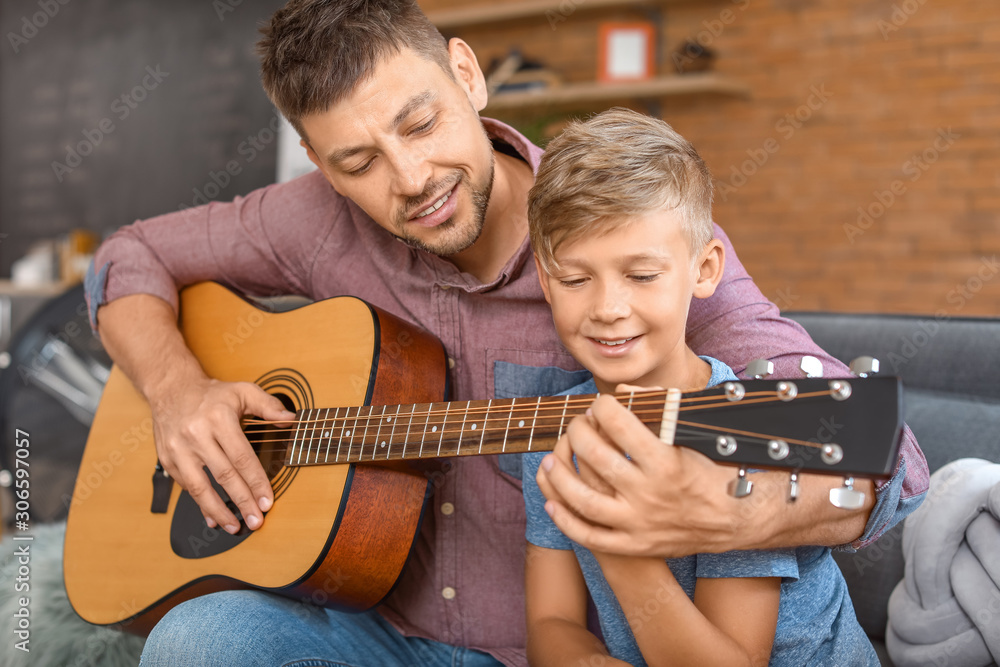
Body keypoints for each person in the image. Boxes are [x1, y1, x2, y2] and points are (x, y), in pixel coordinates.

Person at [83, 1, 926, 665]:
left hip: (554, 644)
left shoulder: (619, 247)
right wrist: (176, 390)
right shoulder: (306, 221)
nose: (411, 179)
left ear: (467, 74)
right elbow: (126, 257)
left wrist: (726, 518)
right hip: (375, 627)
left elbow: (885, 461)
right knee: (196, 641)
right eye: (358, 162)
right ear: (314, 159)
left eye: (418, 124)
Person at [517, 108, 878, 666]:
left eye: (641, 275)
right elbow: (550, 623)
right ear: (545, 279)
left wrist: (616, 539)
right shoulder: (553, 430)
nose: (609, 309)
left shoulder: (747, 430)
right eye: (574, 279)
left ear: (706, 270)